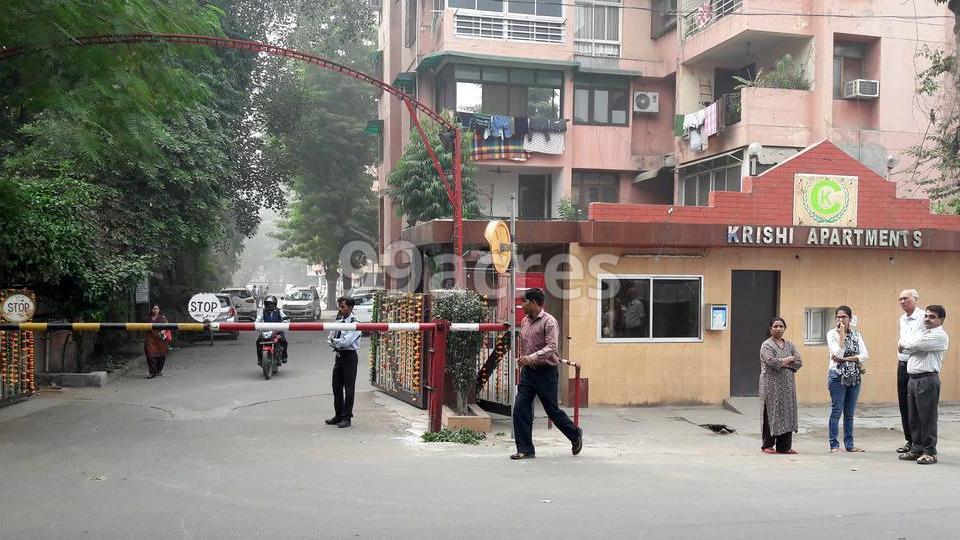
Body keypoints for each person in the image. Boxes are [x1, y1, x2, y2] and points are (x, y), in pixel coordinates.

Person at [510, 288, 583, 460]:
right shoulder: (525, 322)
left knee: (552, 411)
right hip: (529, 373)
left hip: (546, 372)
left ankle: (575, 434)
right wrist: (525, 359)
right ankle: (525, 449)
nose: (522, 305)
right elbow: (525, 342)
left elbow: (552, 348)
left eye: (524, 302)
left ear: (534, 303)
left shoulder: (549, 322)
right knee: (520, 408)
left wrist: (531, 357)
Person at [898, 305, 949, 465]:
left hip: (927, 379)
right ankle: (916, 448)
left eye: (932, 317)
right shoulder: (921, 333)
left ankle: (930, 451)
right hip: (912, 379)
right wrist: (909, 344)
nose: (927, 319)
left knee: (927, 417)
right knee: (913, 416)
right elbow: (903, 349)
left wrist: (909, 344)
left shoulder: (940, 335)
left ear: (940, 320)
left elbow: (911, 345)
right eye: (926, 316)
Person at [826, 305, 869, 453]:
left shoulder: (857, 335)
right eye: (838, 317)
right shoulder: (832, 334)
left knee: (849, 413)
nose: (840, 319)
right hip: (837, 376)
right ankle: (834, 445)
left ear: (850, 318)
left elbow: (864, 355)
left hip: (854, 376)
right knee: (837, 410)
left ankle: (849, 445)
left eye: (844, 316)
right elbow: (838, 352)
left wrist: (846, 359)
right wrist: (842, 335)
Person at [759, 317, 803, 454]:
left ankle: (784, 446)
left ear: (785, 328)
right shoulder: (767, 345)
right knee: (771, 413)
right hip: (771, 386)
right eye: (776, 326)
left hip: (788, 386)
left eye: (781, 326)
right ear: (770, 328)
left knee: (788, 413)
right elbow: (772, 362)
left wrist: (783, 362)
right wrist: (788, 360)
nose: (778, 329)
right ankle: (768, 445)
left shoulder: (790, 345)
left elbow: (799, 362)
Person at [896, 289, 925, 453]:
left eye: (905, 298)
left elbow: (917, 341)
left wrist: (905, 346)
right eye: (900, 299)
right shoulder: (902, 318)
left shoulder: (923, 317)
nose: (902, 302)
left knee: (916, 405)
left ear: (915, 299)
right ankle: (909, 439)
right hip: (902, 364)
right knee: (904, 404)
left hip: (916, 365)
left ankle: (919, 441)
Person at [327, 297, 360, 428]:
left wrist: (335, 342)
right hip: (339, 356)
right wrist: (334, 342)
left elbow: (346, 342)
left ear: (351, 307)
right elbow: (329, 338)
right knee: (336, 387)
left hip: (349, 357)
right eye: (339, 307)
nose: (340, 309)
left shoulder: (354, 322)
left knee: (349, 388)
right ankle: (338, 414)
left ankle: (347, 417)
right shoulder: (338, 320)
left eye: (343, 307)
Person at [256, 295, 288, 365]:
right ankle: (260, 359)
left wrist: (285, 321)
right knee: (258, 341)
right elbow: (258, 319)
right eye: (267, 304)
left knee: (284, 341)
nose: (269, 305)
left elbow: (284, 317)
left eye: (271, 304)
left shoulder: (279, 311)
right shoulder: (263, 311)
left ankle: (284, 357)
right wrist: (255, 324)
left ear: (274, 304)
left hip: (277, 331)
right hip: (266, 331)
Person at [144, 304, 170, 379]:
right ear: (151, 310)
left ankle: (159, 370)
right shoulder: (147, 318)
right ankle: (152, 372)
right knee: (150, 355)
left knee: (161, 356)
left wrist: (163, 330)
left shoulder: (163, 318)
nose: (155, 310)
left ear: (159, 310)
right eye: (154, 309)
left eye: (157, 309)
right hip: (150, 339)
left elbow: (167, 325)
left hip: (160, 339)